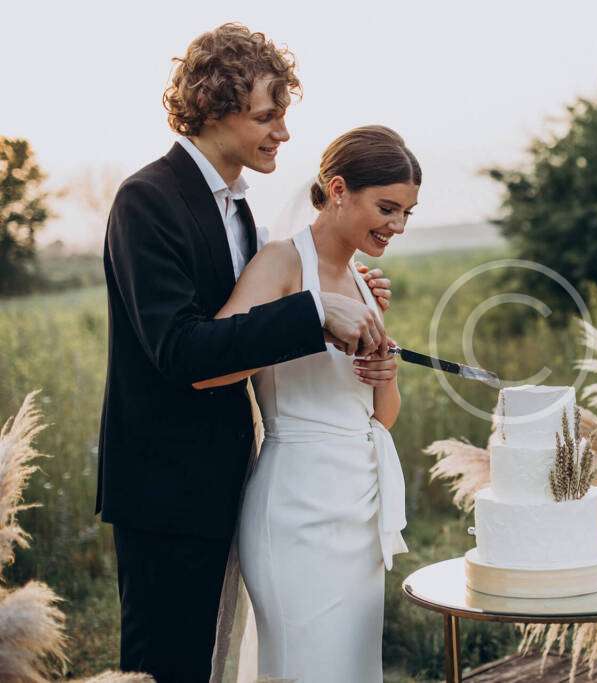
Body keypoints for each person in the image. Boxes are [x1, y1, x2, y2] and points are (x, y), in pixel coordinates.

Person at [96, 24, 393, 682]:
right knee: (165, 670)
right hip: (165, 491)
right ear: (212, 108)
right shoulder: (147, 200)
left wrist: (344, 291)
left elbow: (249, 319)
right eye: (266, 117)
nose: (283, 133)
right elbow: (181, 350)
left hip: (233, 481)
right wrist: (314, 312)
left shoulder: (237, 212)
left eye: (282, 115)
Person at [196, 125, 417, 681]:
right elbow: (212, 366)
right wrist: (309, 319)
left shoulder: (364, 285)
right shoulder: (280, 262)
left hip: (360, 506)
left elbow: (379, 419)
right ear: (338, 190)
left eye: (407, 213)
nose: (397, 225)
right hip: (297, 510)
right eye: (387, 208)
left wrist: (385, 376)